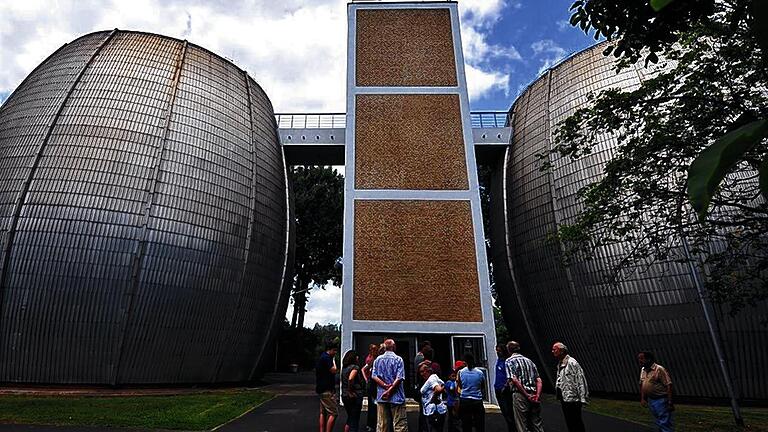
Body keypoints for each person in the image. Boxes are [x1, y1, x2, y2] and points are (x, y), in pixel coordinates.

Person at [505, 341, 544, 432]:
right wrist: (537, 395)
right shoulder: (529, 361)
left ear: (509, 350)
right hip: (534, 393)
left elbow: (514, 379)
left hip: (520, 395)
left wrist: (526, 395)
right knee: (537, 423)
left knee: (522, 424)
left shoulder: (509, 361)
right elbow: (538, 379)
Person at [372, 339, 408, 432]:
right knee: (400, 424)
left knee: (382, 425)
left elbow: (374, 376)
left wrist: (384, 386)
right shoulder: (398, 359)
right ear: (394, 346)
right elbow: (399, 377)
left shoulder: (377, 360)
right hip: (397, 396)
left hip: (381, 396)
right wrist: (390, 390)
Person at [552, 342, 588, 432]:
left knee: (577, 423)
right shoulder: (560, 364)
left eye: (554, 349)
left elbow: (581, 380)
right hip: (565, 399)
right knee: (570, 423)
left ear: (561, 351)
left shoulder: (572, 363)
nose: (552, 351)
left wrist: (583, 398)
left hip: (573, 400)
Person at [638, 351, 674, 432]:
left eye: (642, 358)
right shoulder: (643, 370)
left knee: (664, 422)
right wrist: (643, 398)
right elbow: (642, 384)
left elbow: (668, 385)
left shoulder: (659, 369)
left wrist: (670, 402)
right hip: (651, 400)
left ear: (649, 359)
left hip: (661, 399)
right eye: (639, 358)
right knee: (657, 422)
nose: (639, 360)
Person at [457, 353, 485, 432]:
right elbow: (482, 385)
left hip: (465, 399)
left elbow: (460, 385)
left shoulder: (461, 372)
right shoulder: (480, 373)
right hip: (477, 399)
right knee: (479, 424)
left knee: (466, 424)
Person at [317, 339, 339, 432]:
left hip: (321, 388)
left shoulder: (322, 357)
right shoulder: (327, 358)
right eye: (334, 350)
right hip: (327, 389)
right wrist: (334, 360)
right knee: (334, 413)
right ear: (329, 349)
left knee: (323, 412)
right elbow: (334, 370)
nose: (335, 352)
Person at [419, 363, 448, 432]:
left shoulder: (431, 379)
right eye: (421, 372)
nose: (422, 374)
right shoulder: (434, 377)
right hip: (435, 410)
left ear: (428, 371)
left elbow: (438, 389)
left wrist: (433, 398)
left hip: (433, 411)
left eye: (423, 371)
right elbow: (443, 385)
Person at [342, 350, 365, 432]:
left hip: (344, 395)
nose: (358, 358)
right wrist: (350, 391)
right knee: (355, 420)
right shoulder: (355, 367)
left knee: (350, 417)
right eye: (356, 356)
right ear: (353, 357)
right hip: (354, 395)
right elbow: (351, 378)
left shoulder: (344, 368)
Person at [495, 343, 515, 431]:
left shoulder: (507, 361)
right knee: (504, 410)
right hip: (498, 388)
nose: (497, 352)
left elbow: (510, 376)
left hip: (504, 390)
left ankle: (512, 428)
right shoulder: (499, 360)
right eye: (497, 351)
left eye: (499, 351)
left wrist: (505, 386)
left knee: (508, 411)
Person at [362, 344, 380, 432]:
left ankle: (371, 424)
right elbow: (364, 369)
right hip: (373, 384)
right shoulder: (372, 359)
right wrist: (367, 379)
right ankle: (373, 424)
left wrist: (367, 380)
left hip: (371, 384)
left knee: (372, 404)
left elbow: (364, 369)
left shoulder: (370, 358)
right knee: (374, 405)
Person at [444, 363, 463, 432]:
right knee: (453, 417)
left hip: (452, 402)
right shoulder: (450, 382)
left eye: (455, 376)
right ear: (449, 377)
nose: (454, 377)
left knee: (453, 418)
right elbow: (452, 388)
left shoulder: (449, 382)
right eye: (453, 376)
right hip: (452, 403)